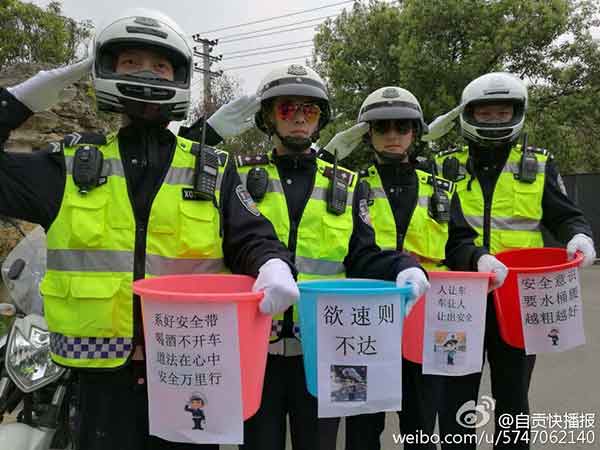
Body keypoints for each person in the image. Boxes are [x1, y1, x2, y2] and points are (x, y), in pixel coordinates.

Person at [0, 8, 300, 450]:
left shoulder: (211, 167)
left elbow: (251, 234)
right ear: (106, 71)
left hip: (189, 366)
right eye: (130, 62)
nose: (147, 73)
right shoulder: (68, 165)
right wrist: (19, 101)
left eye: (159, 65)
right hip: (100, 378)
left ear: (179, 75)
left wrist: (273, 263)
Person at [182, 66, 431, 450]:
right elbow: (178, 169)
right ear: (268, 117)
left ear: (320, 119)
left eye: (309, 110)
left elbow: (363, 256)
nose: (299, 117)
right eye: (286, 109)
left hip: (326, 350)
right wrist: (202, 132)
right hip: (254, 349)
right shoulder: (239, 175)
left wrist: (404, 267)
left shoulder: (347, 185)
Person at [324, 86, 509, 450]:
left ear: (415, 133)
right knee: (361, 429)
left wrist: (479, 257)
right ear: (368, 135)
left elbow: (458, 241)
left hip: (425, 325)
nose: (392, 135)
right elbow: (349, 250)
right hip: (361, 328)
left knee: (420, 425)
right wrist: (327, 153)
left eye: (402, 127)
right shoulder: (349, 186)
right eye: (381, 128)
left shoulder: (440, 188)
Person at [434, 72, 596, 450]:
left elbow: (565, 214)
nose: (494, 121)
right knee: (454, 399)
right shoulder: (445, 168)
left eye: (502, 113)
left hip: (519, 302)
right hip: (459, 302)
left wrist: (579, 234)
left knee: (513, 401)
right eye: (485, 114)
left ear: (516, 114)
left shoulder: (537, 165)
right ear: (468, 115)